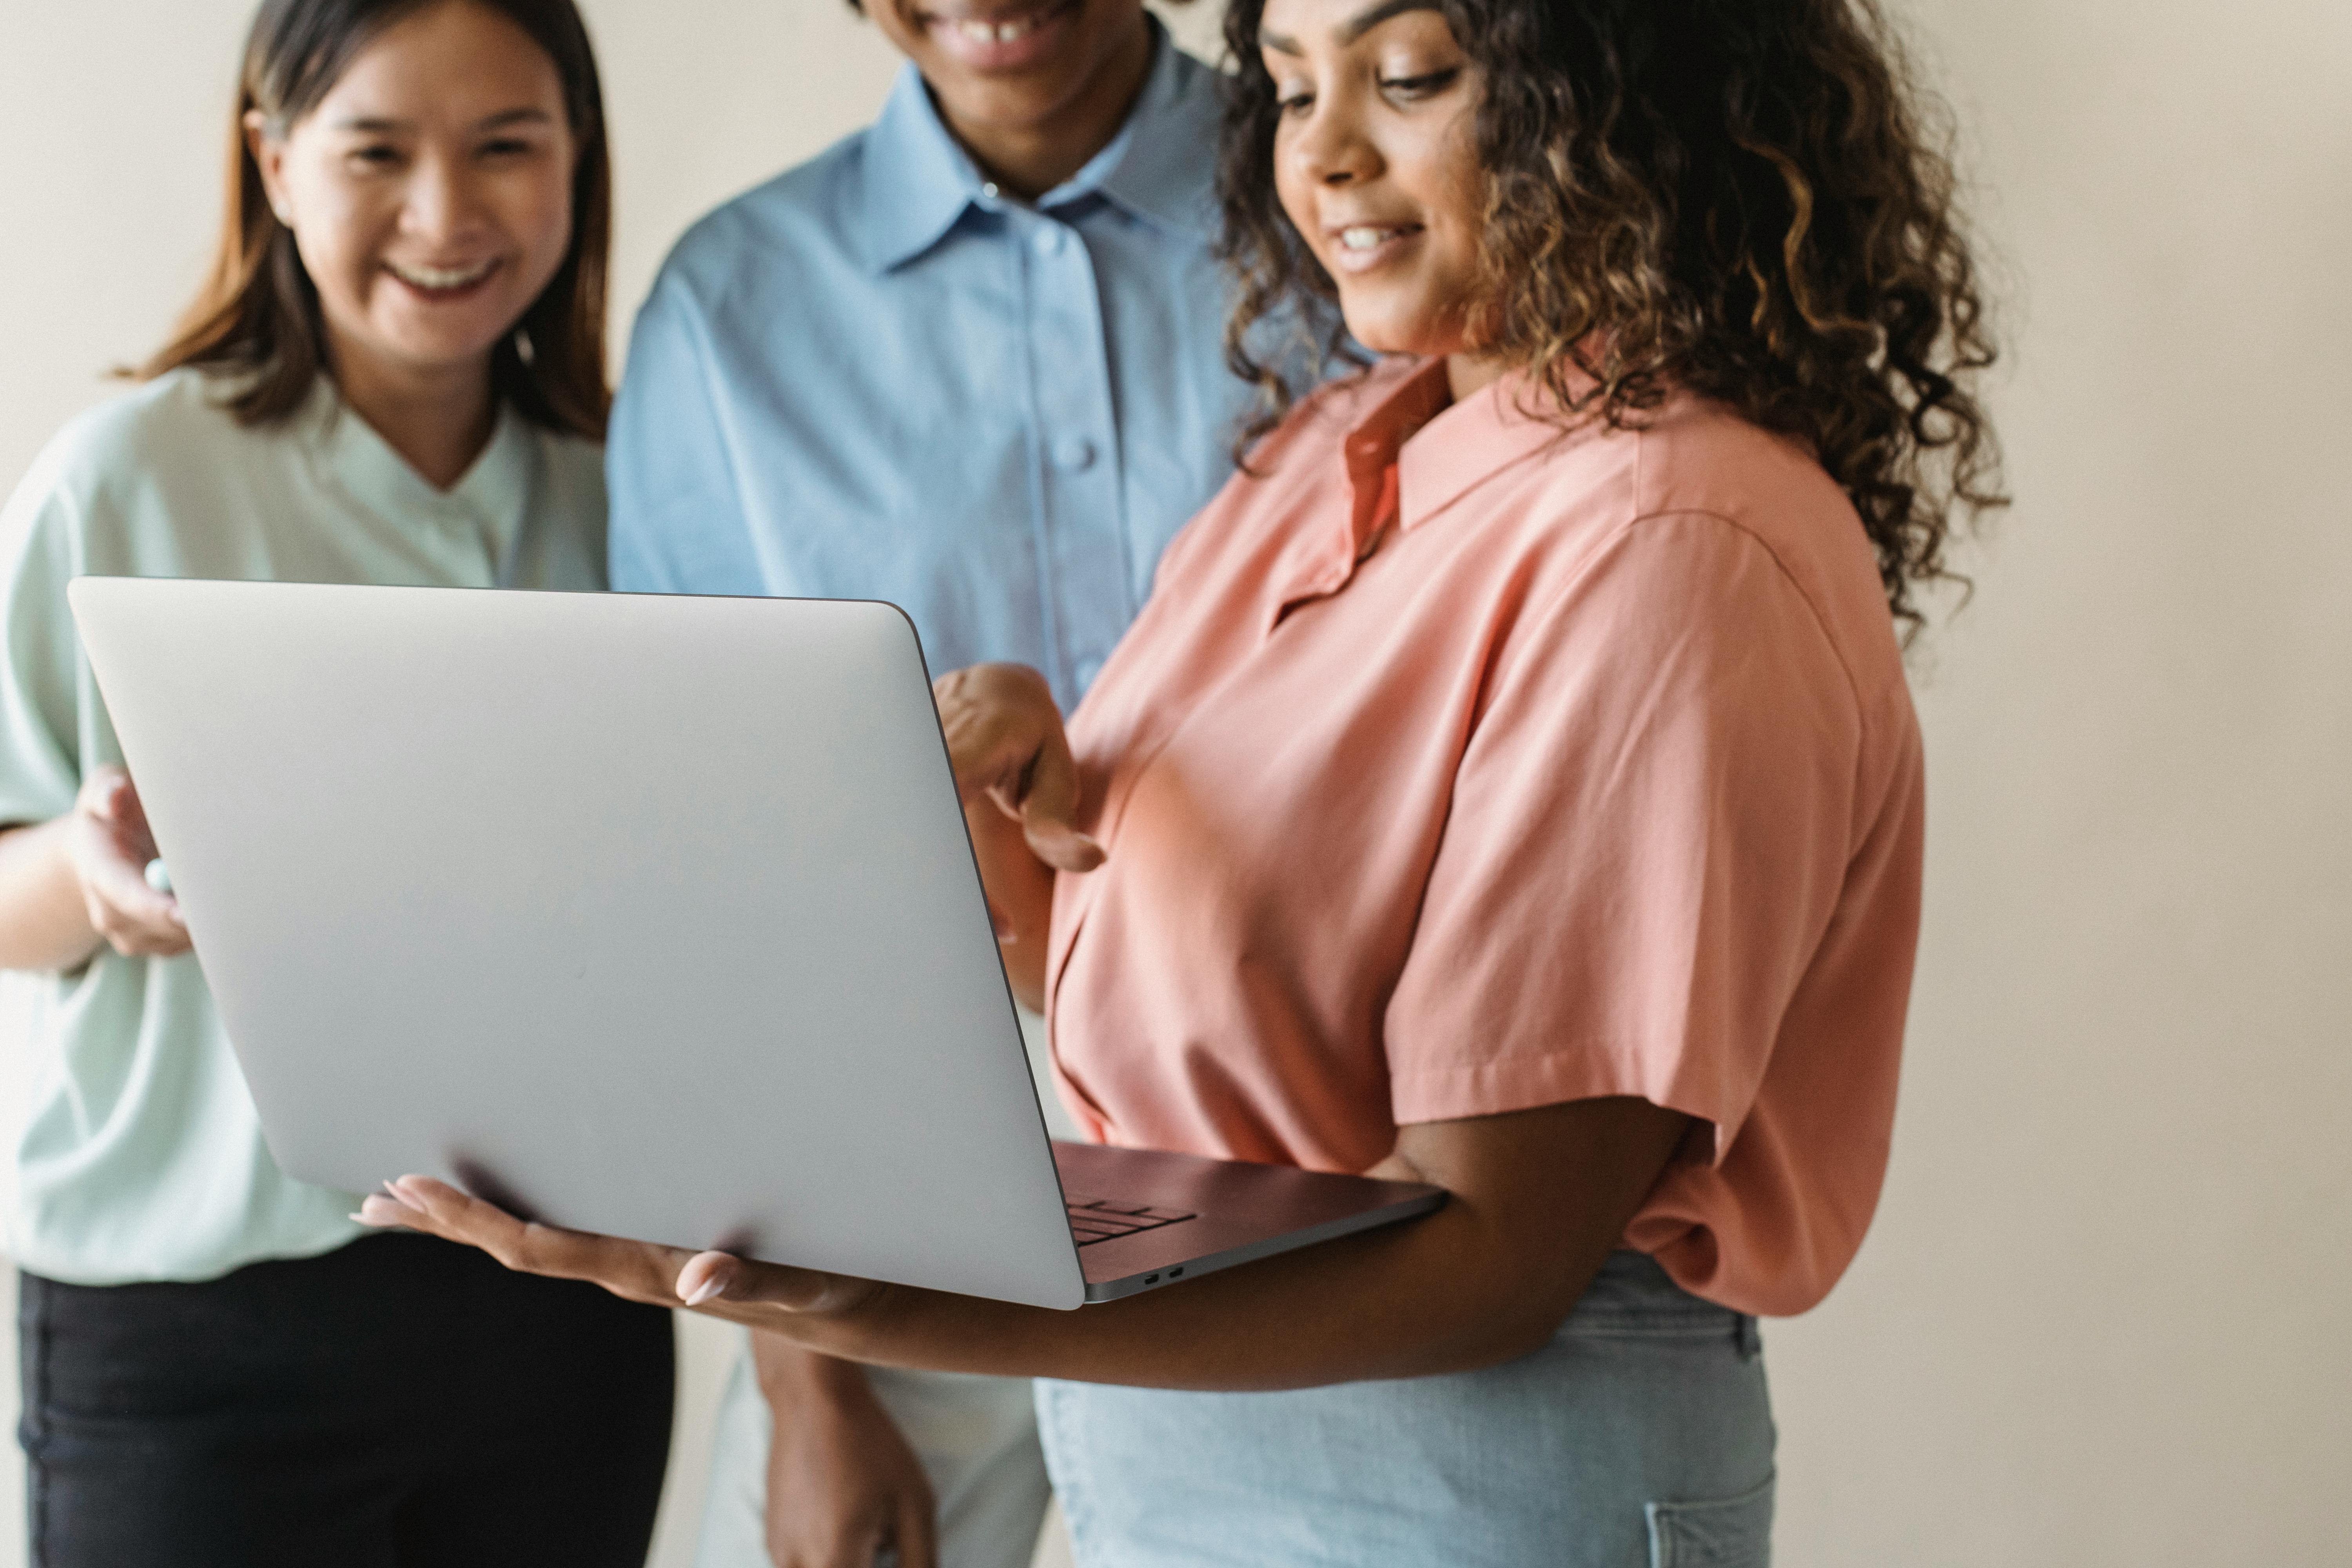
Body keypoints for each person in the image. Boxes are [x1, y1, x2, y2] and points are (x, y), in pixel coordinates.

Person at [369, 0, 2006, 1562]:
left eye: (1412, 76)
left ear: (1630, 93)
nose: (1326, 158)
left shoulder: (1671, 538)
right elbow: (1172, 1015)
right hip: (1194, 1453)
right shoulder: (1335, 452)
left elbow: (1490, 1255)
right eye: (1293, 86)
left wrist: (840, 1292)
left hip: (1472, 1480)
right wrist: (996, 812)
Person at [604, 2, 1284, 1566]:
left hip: (1294, 1148)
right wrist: (807, 1386)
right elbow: (705, 865)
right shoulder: (730, 306)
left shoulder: (1347, 199)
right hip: (880, 1178)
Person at [0, 2, 673, 1563]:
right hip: (193, 1339)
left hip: (555, 1320)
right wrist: (91, 886)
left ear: (580, 159)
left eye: (508, 145)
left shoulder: (633, 492)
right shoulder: (126, 481)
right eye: (378, 151)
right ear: (277, 162)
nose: (446, 214)